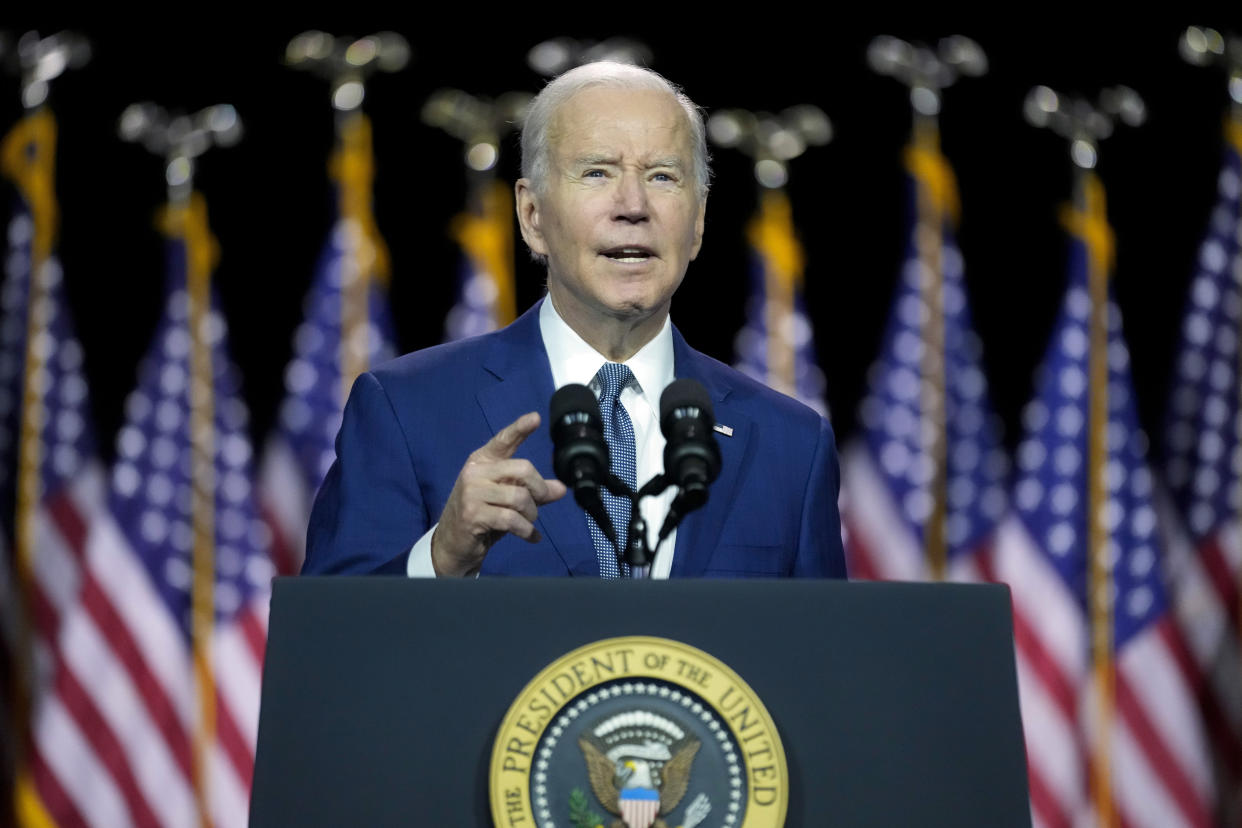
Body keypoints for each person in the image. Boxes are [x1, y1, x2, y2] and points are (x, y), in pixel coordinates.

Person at [303, 61, 846, 579]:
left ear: (698, 222)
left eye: (662, 176)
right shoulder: (407, 410)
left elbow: (823, 663)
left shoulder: (791, 445)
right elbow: (327, 645)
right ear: (532, 216)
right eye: (596, 172)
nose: (633, 205)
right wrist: (442, 558)